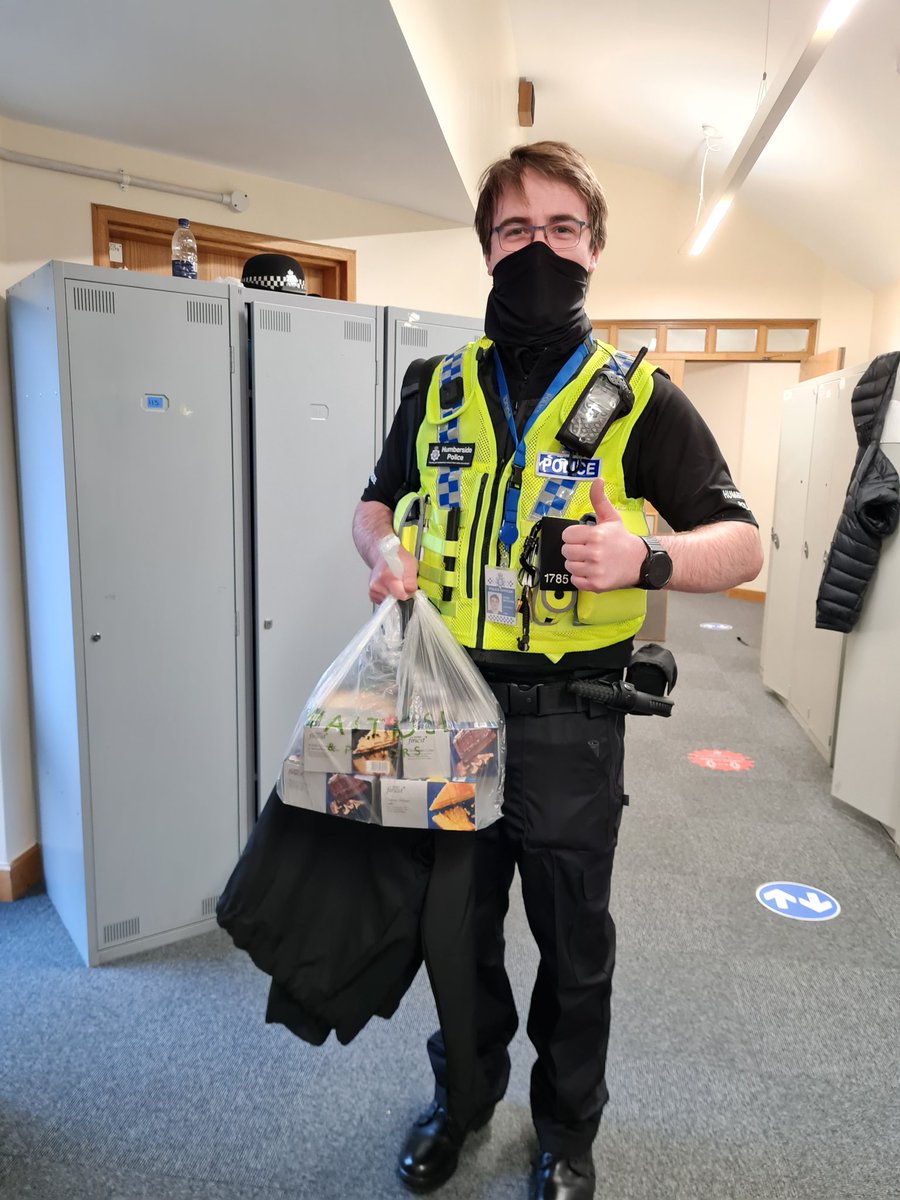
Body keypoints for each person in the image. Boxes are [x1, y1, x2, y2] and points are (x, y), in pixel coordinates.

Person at [352, 141, 762, 1200]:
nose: (538, 248)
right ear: (487, 247)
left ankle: (566, 1135)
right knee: (455, 933)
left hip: (571, 722)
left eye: (562, 228)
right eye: (515, 229)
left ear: (594, 247)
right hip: (446, 709)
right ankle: (463, 1100)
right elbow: (371, 504)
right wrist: (384, 550)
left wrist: (647, 556)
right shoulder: (433, 388)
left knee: (574, 944)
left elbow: (746, 542)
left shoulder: (639, 397)